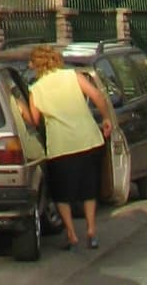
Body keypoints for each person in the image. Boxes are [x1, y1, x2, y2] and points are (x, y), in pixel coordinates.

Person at [21, 43, 117, 251]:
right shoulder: (74, 76)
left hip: (61, 146)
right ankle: (91, 231)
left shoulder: (35, 89)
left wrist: (20, 108)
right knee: (89, 189)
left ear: (37, 65)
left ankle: (72, 234)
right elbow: (97, 96)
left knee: (62, 193)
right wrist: (107, 118)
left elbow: (35, 120)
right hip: (89, 140)